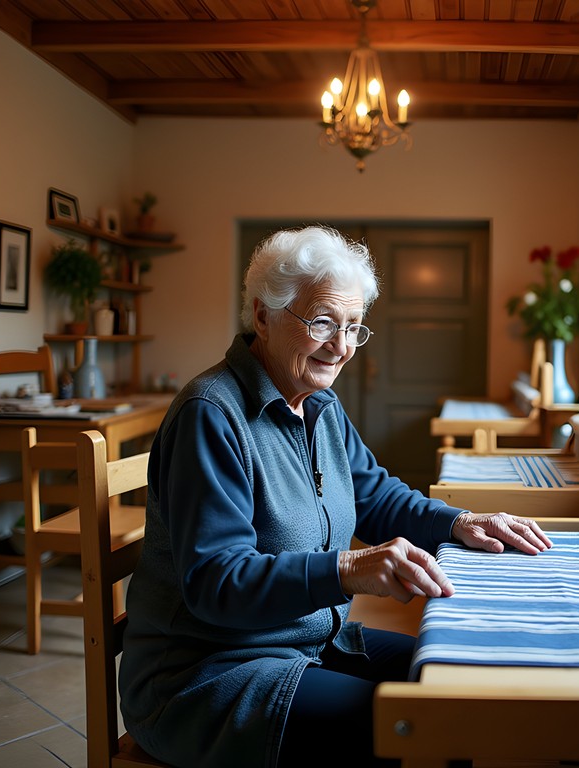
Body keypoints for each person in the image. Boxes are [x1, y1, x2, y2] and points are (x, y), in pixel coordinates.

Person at [118, 226, 553, 767]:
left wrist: (460, 521)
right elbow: (216, 582)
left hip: (311, 647)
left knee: (465, 682)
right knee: (431, 727)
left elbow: (375, 496)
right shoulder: (211, 415)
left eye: (353, 327)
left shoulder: (319, 407)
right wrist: (346, 568)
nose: (342, 347)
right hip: (209, 679)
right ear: (262, 316)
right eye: (323, 322)